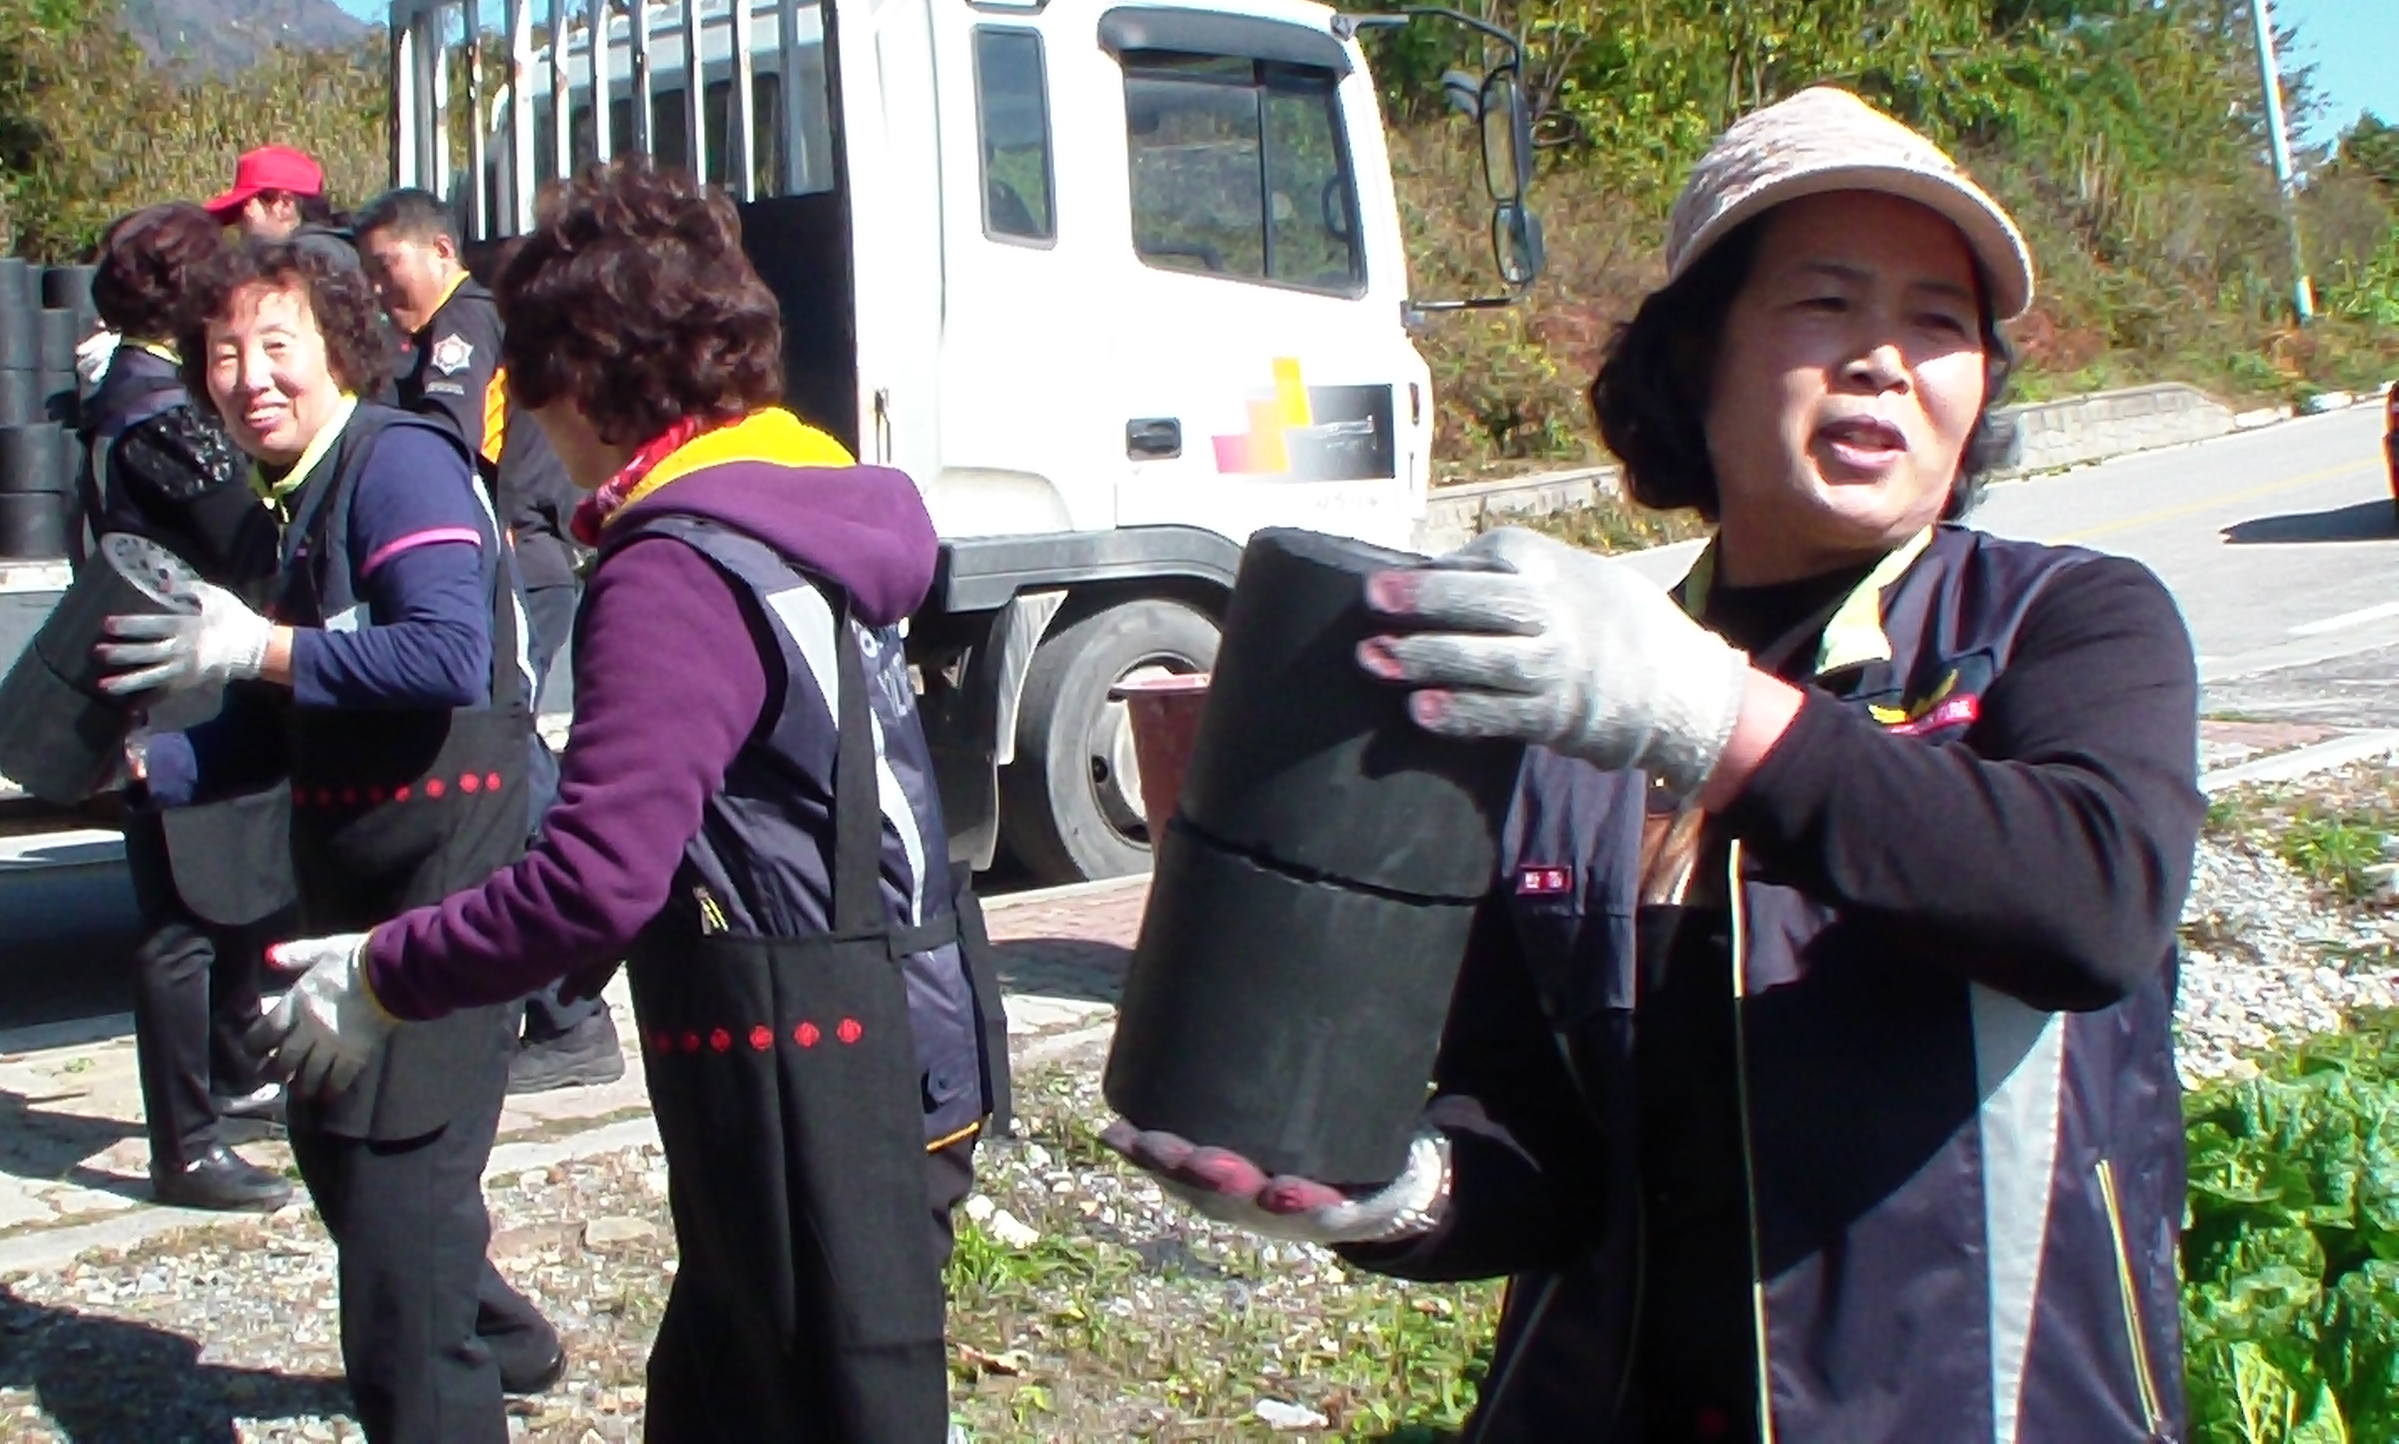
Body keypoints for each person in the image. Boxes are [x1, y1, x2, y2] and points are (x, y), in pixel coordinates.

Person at [1108, 86, 2202, 1443]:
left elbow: (2091, 906)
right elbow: (1537, 1135)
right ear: (1697, 360)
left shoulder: (2065, 623)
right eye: (1825, 303)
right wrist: (1398, 1190)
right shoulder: (1564, 689)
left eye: (1938, 322)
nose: (1883, 360)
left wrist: (1705, 716)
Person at [254, 160, 1009, 1444]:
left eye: (529, 379)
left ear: (588, 376)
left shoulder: (673, 566)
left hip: (809, 1074)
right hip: (917, 1023)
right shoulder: (804, 493)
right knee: (739, 1382)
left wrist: (386, 975)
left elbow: (597, 877)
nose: (525, 423)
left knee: (804, 1399)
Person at [103, 235, 563, 1440]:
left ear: (341, 350)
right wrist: (156, 765)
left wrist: (252, 644)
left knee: (397, 1224)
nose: (249, 376)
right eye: (222, 354)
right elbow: (283, 720)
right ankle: (509, 1341)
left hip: (449, 891)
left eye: (277, 344)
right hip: (347, 898)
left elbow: (445, 655)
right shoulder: (287, 500)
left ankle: (447, 1380)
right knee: (339, 1149)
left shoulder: (396, 464)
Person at [351, 186, 615, 1093]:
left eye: (387, 266)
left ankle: (571, 1011)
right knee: (508, 780)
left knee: (511, 785)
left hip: (517, 574)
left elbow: (443, 446)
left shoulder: (465, 325)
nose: (378, 288)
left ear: (439, 251)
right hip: (515, 569)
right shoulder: (433, 337)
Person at [73, 202, 290, 1213]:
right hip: (183, 683)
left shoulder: (117, 393)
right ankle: (185, 1146)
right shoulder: (162, 415)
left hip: (169, 675)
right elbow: (245, 535)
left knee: (227, 899)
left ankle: (237, 1075)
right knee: (183, 924)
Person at [206, 145, 339, 242]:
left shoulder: (310, 262)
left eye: (245, 206)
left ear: (285, 204)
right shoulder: (329, 253)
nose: (241, 223)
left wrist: (258, 240)